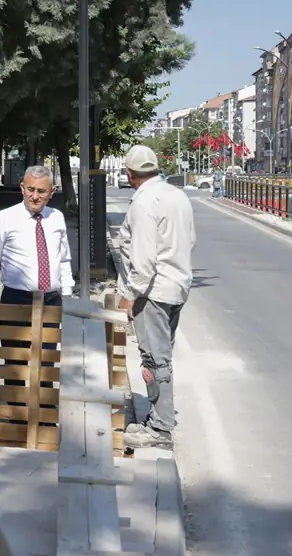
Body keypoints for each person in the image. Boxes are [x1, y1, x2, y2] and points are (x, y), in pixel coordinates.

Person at [116, 145, 195, 449]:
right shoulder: (177, 195)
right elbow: (189, 240)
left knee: (154, 359)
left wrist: (128, 296)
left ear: (130, 174)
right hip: (177, 288)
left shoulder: (144, 202)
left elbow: (144, 262)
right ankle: (158, 417)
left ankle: (160, 429)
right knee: (163, 355)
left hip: (153, 292)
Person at [0, 165, 73, 406]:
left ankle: (45, 422)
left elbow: (64, 260)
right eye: (30, 189)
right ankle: (17, 421)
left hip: (51, 300)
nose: (35, 196)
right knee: (15, 366)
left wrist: (68, 294)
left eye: (41, 191)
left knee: (46, 365)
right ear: (22, 188)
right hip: (16, 300)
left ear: (52, 192)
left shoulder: (56, 218)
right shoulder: (4, 218)